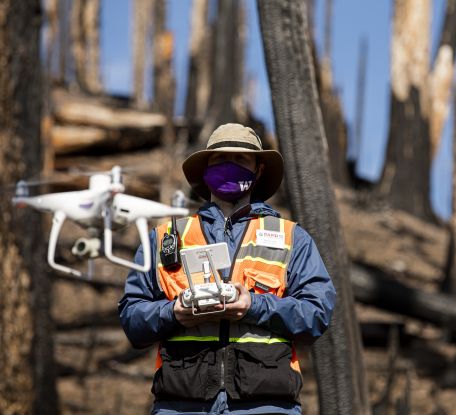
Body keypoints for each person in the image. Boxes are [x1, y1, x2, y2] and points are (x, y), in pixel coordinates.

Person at [118, 123, 336, 415]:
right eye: (220, 160)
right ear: (205, 170)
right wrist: (173, 313)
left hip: (267, 405)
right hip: (180, 404)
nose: (229, 167)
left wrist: (254, 305)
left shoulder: (292, 238)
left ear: (258, 170)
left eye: (240, 160)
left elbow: (317, 314)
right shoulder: (165, 238)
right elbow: (132, 319)